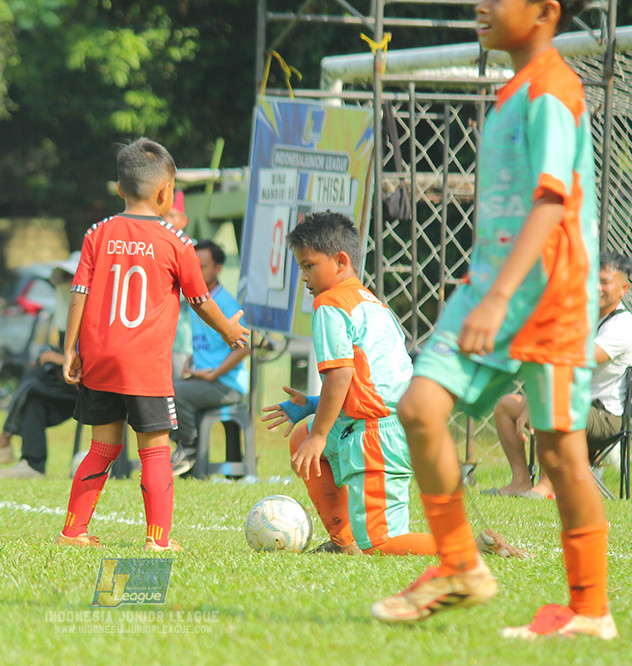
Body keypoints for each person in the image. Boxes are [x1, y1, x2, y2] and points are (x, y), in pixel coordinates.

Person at [371, 0, 617, 640]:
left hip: (548, 300)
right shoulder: (510, 93)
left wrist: (502, 296)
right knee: (421, 407)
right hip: (489, 289)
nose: (480, 5)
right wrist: (489, 288)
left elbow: (551, 201)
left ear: (545, 12)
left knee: (562, 455)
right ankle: (460, 566)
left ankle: (590, 611)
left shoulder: (553, 90)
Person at [261, 212, 525, 560]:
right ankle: (344, 541)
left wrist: (321, 434)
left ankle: (468, 547)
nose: (304, 277)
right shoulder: (372, 303)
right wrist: (312, 406)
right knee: (302, 435)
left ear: (341, 260)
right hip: (384, 423)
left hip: (375, 435)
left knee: (381, 543)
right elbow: (372, 380)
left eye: (309, 265)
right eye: (300, 267)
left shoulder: (330, 304)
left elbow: (340, 376)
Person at [55, 137, 249, 552]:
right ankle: (158, 540)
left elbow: (79, 294)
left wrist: (70, 348)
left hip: (100, 358)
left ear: (121, 188)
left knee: (103, 446)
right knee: (156, 451)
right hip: (144, 365)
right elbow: (201, 301)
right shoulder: (177, 242)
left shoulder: (98, 233)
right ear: (166, 192)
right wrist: (229, 332)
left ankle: (73, 532)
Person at [487, 251, 632, 499]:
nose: (596, 287)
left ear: (624, 288)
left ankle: (547, 486)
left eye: (605, 282)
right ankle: (521, 481)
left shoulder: (623, 324)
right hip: (570, 403)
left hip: (605, 417)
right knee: (505, 406)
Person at [0, 252, 82, 479]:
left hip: (93, 386)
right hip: (70, 381)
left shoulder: (98, 313)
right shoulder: (67, 312)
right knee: (33, 393)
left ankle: (2, 442)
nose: (68, 284)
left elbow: (92, 357)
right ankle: (32, 465)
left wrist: (55, 358)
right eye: (65, 278)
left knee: (32, 383)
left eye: (73, 278)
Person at [169, 239, 250, 476]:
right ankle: (184, 448)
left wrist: (214, 373)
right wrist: (192, 359)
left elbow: (244, 347)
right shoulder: (199, 299)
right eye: (195, 266)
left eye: (203, 266)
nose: (198, 271)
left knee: (175, 393)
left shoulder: (225, 303)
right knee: (162, 388)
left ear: (218, 269)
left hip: (226, 384)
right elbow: (209, 343)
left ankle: (190, 448)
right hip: (204, 379)